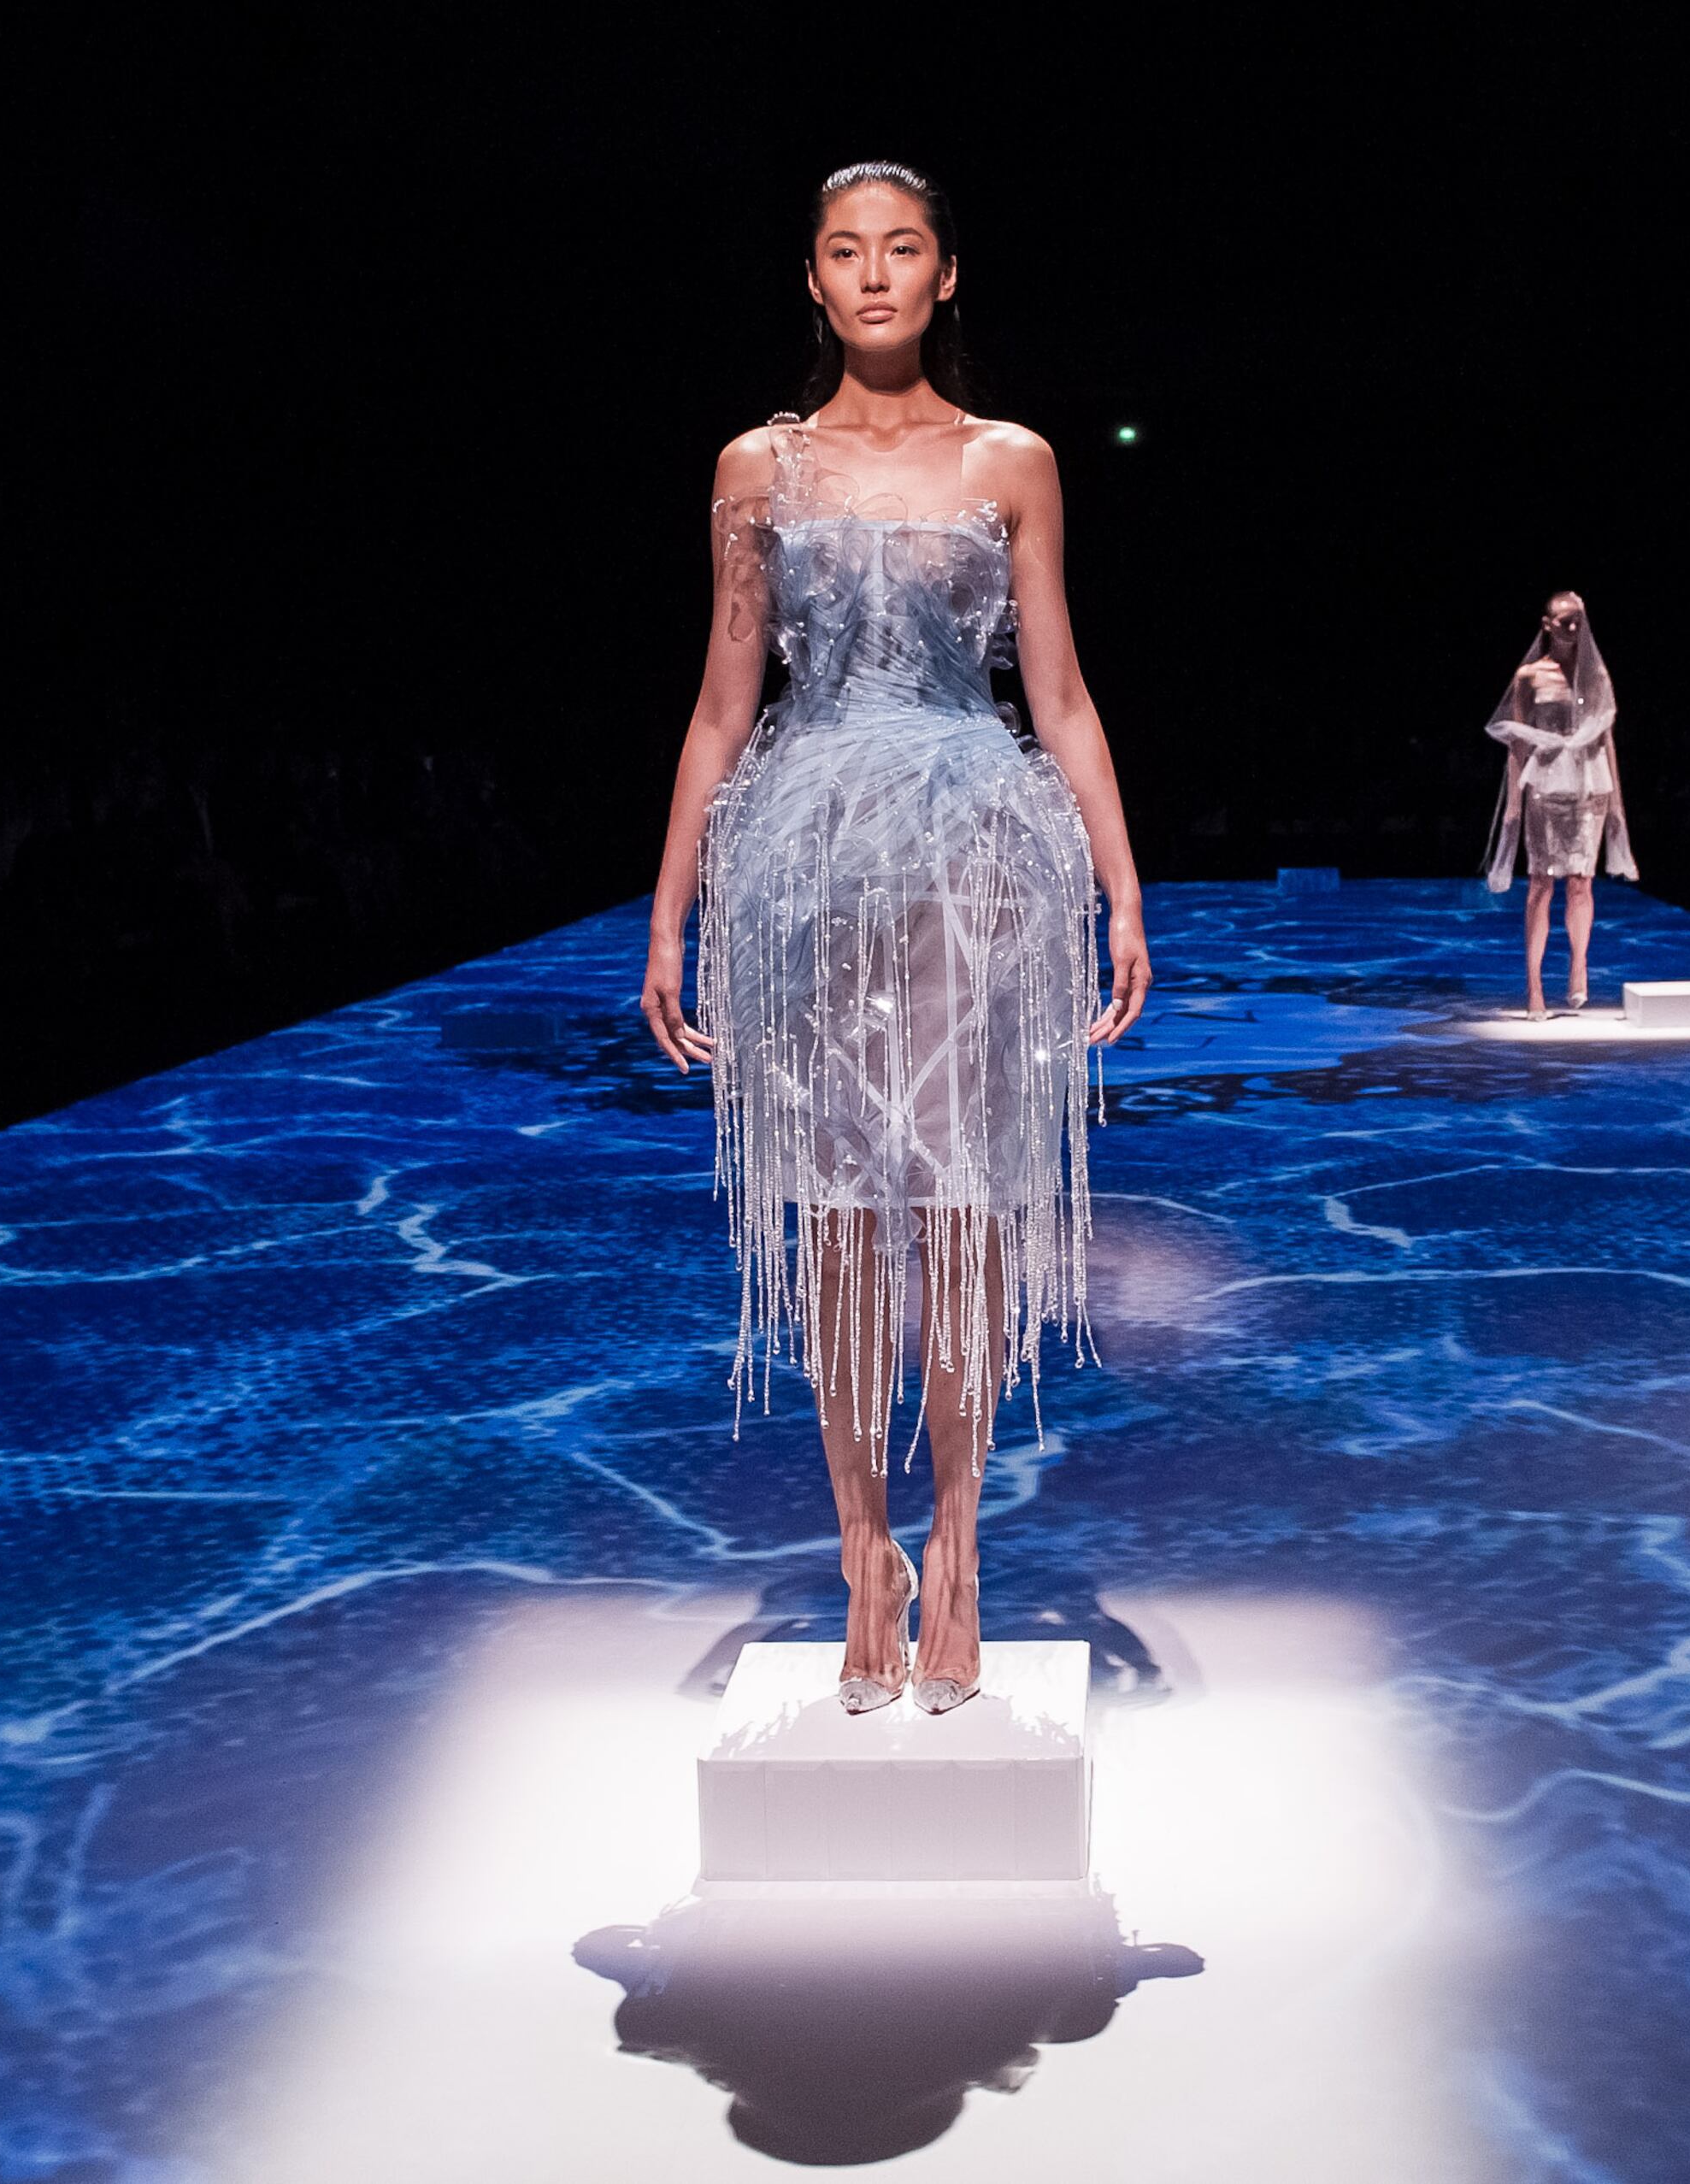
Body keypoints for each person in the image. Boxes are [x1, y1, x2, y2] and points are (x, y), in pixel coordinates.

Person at [641, 162, 1151, 1714]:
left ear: (947, 275)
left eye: (903, 249)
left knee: (969, 1206)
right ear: (812, 278)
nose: (875, 275)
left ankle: (961, 1540)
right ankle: (865, 1545)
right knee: (845, 1220)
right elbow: (727, 702)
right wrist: (669, 913)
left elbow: (1055, 692)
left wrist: (1123, 892)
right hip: (804, 874)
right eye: (846, 253)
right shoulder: (756, 466)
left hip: (975, 870)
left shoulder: (1014, 462)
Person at [1482, 591, 1637, 1018]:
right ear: (1547, 625)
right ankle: (1534, 986)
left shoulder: (1596, 676)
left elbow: (1606, 740)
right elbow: (1516, 741)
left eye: (1579, 620)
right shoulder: (1529, 675)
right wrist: (1513, 803)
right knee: (1541, 883)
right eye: (1566, 621)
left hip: (1590, 788)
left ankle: (1578, 964)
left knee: (1581, 882)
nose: (1574, 628)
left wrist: (1618, 808)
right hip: (1547, 787)